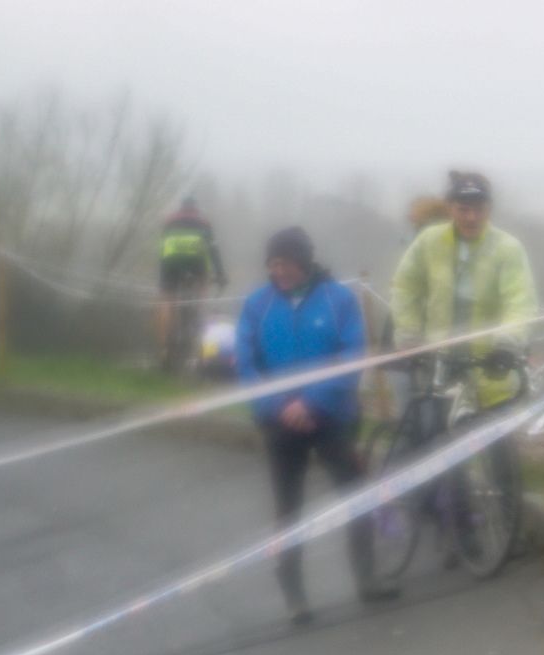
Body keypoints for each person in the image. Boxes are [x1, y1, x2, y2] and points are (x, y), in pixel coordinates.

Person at [236, 227, 397, 624]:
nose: (279, 271)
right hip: (279, 421)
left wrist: (312, 401)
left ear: (304, 261)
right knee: (288, 508)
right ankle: (295, 594)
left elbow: (352, 355)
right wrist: (279, 405)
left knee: (356, 496)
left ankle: (367, 578)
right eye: (273, 264)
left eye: (286, 263)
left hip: (332, 416)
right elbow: (246, 363)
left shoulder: (338, 299)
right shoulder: (257, 304)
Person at [391, 170, 539, 410]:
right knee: (430, 427)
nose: (472, 217)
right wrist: (409, 332)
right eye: (463, 209)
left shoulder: (508, 248)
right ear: (450, 208)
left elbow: (520, 301)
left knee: (497, 432)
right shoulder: (429, 241)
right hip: (437, 365)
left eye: (479, 210)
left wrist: (508, 341)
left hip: (491, 365)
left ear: (489, 209)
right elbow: (405, 287)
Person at [157, 196, 228, 366]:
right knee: (202, 291)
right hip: (196, 265)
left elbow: (161, 248)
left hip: (170, 264)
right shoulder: (203, 222)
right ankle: (199, 331)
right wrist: (220, 275)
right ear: (195, 209)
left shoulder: (169, 221)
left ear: (181, 208)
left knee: (167, 302)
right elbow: (213, 249)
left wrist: (163, 275)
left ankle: (164, 348)